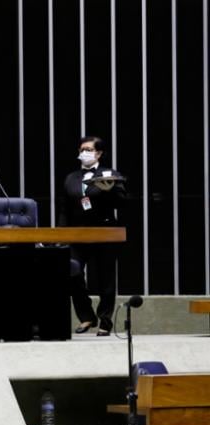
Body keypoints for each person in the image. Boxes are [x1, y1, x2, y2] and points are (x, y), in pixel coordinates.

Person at [58, 136, 126, 337]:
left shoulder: (110, 174)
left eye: (88, 149)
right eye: (81, 149)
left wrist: (108, 192)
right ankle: (87, 316)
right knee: (73, 273)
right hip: (77, 233)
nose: (84, 152)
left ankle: (105, 320)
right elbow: (64, 208)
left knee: (105, 278)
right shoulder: (71, 178)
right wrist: (62, 233)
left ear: (99, 153)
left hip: (104, 232)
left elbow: (121, 202)